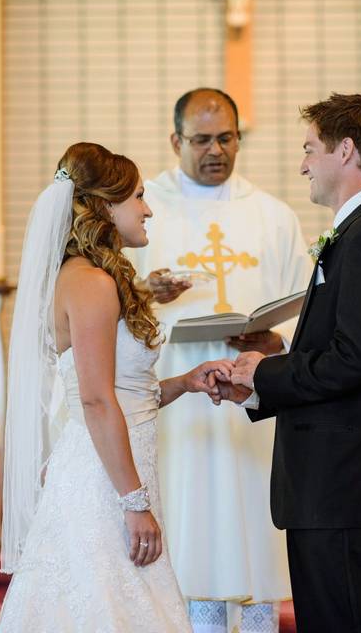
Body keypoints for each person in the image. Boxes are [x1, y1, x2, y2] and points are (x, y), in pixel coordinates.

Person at [0, 142, 234, 632]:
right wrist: (134, 503)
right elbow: (95, 400)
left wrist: (186, 383)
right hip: (104, 486)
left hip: (119, 474)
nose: (148, 210)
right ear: (106, 205)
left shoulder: (97, 278)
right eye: (139, 198)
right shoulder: (88, 282)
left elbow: (126, 396)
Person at [216, 94, 361, 633]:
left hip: (343, 485)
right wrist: (266, 373)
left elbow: (356, 361)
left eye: (310, 149)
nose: (302, 164)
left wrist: (262, 374)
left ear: (346, 150)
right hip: (333, 485)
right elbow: (347, 351)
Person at [129, 88, 310, 633]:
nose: (216, 150)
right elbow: (105, 301)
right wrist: (142, 290)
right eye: (202, 139)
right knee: (188, 518)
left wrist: (277, 341)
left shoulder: (271, 216)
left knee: (252, 518)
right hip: (176, 399)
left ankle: (255, 625)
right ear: (175, 140)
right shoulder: (143, 210)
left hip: (250, 400)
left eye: (227, 138)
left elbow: (309, 304)